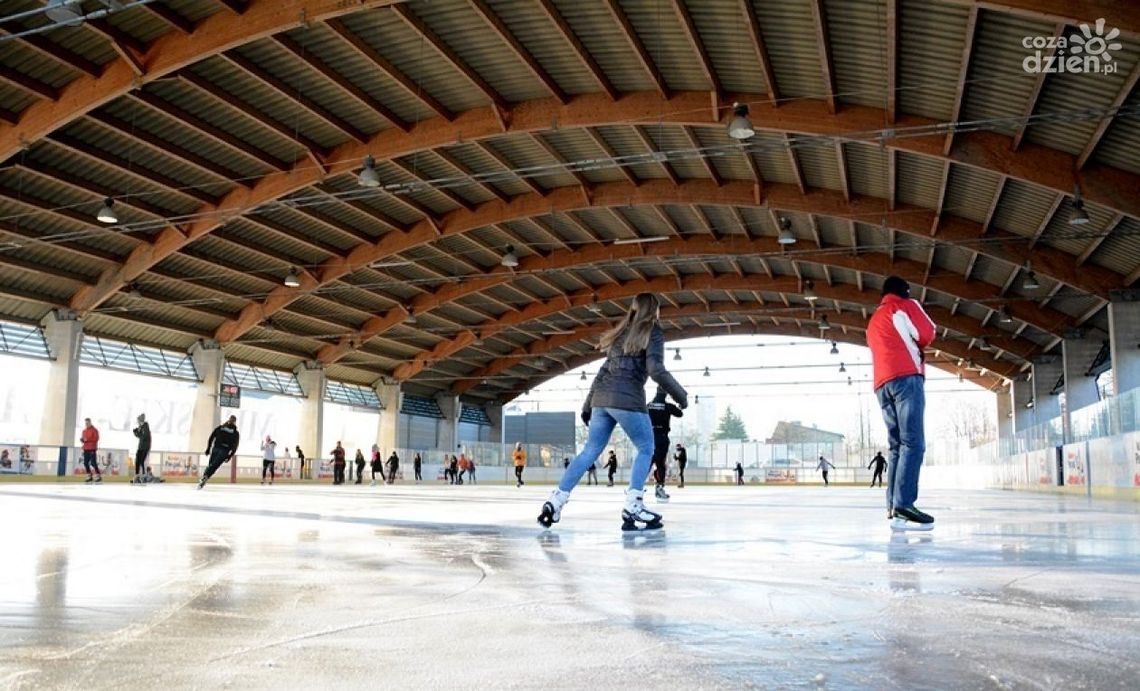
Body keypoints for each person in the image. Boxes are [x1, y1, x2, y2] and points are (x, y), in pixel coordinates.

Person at [537, 292, 688, 531]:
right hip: (627, 399)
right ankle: (634, 505)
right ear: (654, 311)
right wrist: (681, 396)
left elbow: (603, 371)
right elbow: (656, 369)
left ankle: (555, 501)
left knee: (589, 451)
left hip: (601, 401)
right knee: (647, 448)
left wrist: (588, 405)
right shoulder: (653, 332)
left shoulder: (619, 336)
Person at [867, 275, 937, 531]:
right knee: (913, 443)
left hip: (881, 385)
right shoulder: (905, 305)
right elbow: (927, 333)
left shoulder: (874, 320)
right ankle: (905, 504)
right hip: (906, 378)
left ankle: (893, 507)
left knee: (896, 446)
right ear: (904, 291)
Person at [647, 386, 683, 503]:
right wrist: (679, 401)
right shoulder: (668, 406)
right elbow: (679, 413)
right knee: (660, 464)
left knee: (646, 462)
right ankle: (659, 488)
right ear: (666, 393)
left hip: (649, 438)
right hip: (661, 438)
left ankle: (635, 487)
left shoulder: (648, 405)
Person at [198, 415, 239, 489]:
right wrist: (230, 456)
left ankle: (204, 478)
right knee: (214, 466)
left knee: (211, 465)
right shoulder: (235, 433)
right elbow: (235, 446)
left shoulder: (221, 428)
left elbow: (211, 437)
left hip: (216, 448)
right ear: (235, 422)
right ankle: (205, 478)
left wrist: (208, 448)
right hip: (224, 451)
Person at [80, 417, 102, 483]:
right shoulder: (84, 431)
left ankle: (98, 475)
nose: (86, 424)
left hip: (92, 448)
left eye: (88, 423)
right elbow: (84, 439)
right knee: (85, 463)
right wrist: (82, 440)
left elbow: (96, 438)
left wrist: (87, 440)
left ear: (90, 422)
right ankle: (89, 475)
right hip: (86, 448)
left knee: (93, 462)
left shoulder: (94, 430)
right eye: (86, 423)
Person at [132, 414, 151, 481]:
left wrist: (137, 433)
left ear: (140, 420)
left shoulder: (145, 426)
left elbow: (143, 436)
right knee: (137, 461)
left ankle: (143, 475)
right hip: (140, 447)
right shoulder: (141, 426)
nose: (137, 422)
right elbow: (140, 436)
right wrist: (136, 432)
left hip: (145, 447)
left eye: (138, 421)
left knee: (142, 461)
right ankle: (137, 475)